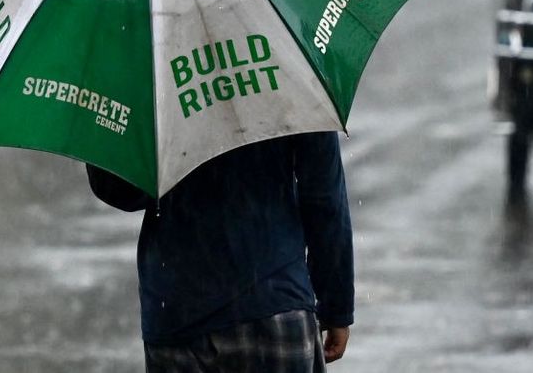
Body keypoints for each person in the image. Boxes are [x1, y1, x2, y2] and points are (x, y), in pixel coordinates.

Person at [86, 131, 354, 372]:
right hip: (274, 301)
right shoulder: (295, 81)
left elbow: (120, 190)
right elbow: (324, 198)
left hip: (177, 309)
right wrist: (336, 306)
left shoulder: (149, 86)